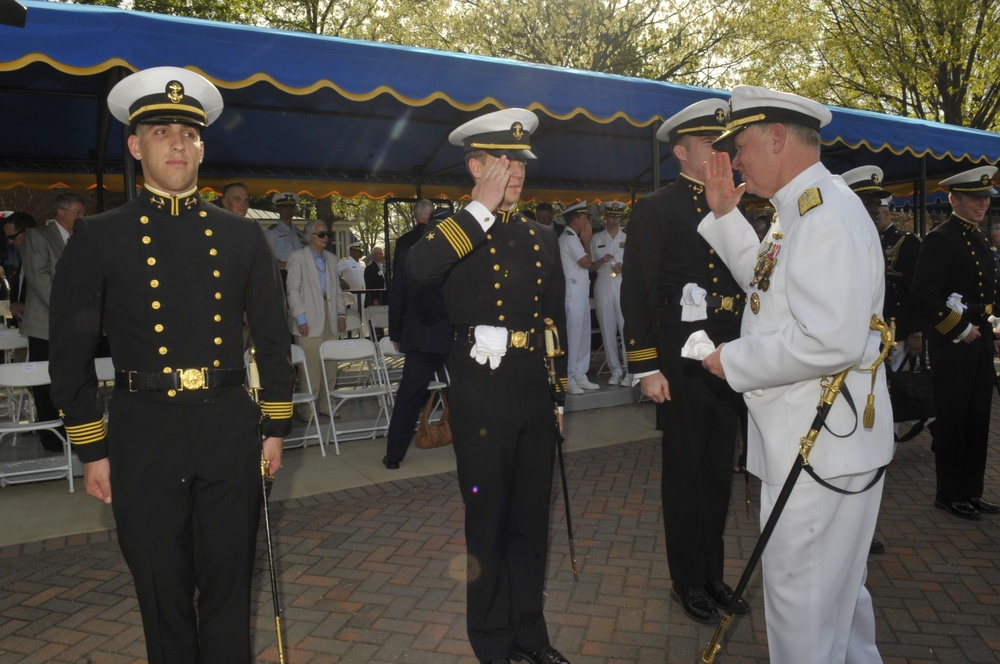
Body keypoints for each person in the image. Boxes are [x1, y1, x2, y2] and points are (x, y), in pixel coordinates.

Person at [48, 66, 294, 664]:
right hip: (143, 433)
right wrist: (91, 447)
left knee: (230, 586)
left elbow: (271, 339)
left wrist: (274, 428)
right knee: (161, 592)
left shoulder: (241, 238)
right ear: (136, 146)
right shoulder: (100, 237)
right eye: (160, 131)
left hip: (227, 429)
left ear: (203, 145)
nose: (177, 143)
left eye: (188, 132)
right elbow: (69, 354)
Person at [698, 85, 893, 663]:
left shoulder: (822, 213)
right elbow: (768, 294)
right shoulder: (800, 209)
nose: (734, 159)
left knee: (802, 605)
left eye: (741, 144)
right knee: (837, 598)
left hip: (819, 447)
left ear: (778, 137)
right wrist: (726, 218)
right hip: (823, 443)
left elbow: (828, 338)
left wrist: (730, 360)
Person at [406, 108, 570, 664]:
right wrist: (478, 211)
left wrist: (559, 394)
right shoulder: (451, 232)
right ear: (475, 166)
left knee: (530, 522)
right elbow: (417, 270)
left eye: (520, 160)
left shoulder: (542, 236)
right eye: (502, 160)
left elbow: (554, 322)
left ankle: (531, 635)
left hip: (531, 388)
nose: (515, 170)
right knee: (489, 522)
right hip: (480, 394)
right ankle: (493, 642)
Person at [620, 98, 747, 626]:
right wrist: (648, 367)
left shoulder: (738, 207)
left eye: (726, 144)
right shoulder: (657, 208)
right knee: (685, 475)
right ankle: (686, 581)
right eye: (711, 144)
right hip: (679, 362)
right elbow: (637, 293)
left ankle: (713, 574)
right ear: (681, 151)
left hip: (731, 355)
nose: (722, 152)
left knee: (719, 473)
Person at [910, 165, 1000, 521]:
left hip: (978, 338)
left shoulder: (978, 238)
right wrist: (959, 329)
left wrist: (989, 330)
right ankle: (949, 493)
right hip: (954, 342)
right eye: (974, 198)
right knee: (953, 420)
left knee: (979, 418)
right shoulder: (942, 238)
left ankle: (971, 492)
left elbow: (986, 292)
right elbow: (924, 295)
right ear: (954, 199)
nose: (981, 205)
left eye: (985, 198)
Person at [382, 208, 451, 470]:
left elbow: (397, 296)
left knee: (408, 397)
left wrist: (396, 333)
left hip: (421, 335)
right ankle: (474, 449)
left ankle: (393, 455)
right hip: (451, 333)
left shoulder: (412, 253)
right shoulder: (459, 254)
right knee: (465, 393)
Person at [21, 192, 84, 453]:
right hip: (45, 325)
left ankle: (77, 432)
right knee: (47, 382)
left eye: (84, 213)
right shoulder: (38, 236)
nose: (82, 217)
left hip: (77, 325)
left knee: (74, 380)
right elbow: (39, 279)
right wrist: (67, 311)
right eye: (78, 212)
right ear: (60, 212)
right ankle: (51, 437)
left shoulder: (82, 238)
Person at [286, 218, 348, 419]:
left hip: (330, 315)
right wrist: (301, 319)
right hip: (308, 318)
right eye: (321, 234)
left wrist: (340, 313)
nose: (326, 238)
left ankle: (327, 403)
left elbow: (337, 290)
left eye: (327, 234)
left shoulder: (331, 258)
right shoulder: (297, 257)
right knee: (310, 367)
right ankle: (307, 409)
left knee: (330, 365)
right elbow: (292, 291)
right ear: (309, 237)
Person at [559, 201, 605, 394]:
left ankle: (580, 374)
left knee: (584, 335)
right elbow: (586, 263)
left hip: (581, 293)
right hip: (573, 293)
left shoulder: (574, 238)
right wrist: (587, 241)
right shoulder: (569, 238)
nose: (587, 221)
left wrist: (600, 259)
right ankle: (569, 378)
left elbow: (591, 264)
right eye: (585, 217)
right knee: (573, 336)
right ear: (576, 219)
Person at [591, 201, 629, 385]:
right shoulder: (596, 238)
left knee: (625, 328)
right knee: (607, 329)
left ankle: (630, 371)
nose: (614, 219)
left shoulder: (627, 238)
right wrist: (601, 260)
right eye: (611, 216)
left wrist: (625, 267)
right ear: (605, 216)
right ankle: (615, 370)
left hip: (622, 283)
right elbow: (589, 266)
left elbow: (636, 264)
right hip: (604, 282)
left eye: (618, 216)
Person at [3, 211, 35, 327]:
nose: (10, 242)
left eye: (13, 237)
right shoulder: (23, 256)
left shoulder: (42, 257)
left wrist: (25, 305)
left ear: (27, 231)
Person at [266, 191, 305, 274]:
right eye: (285, 206)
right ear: (278, 209)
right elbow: (266, 258)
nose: (289, 210)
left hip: (301, 273)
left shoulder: (299, 233)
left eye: (291, 206)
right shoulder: (272, 232)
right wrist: (287, 264)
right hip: (282, 273)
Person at [393, 199, 434, 276]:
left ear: (415, 215)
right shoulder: (438, 238)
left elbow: (397, 274)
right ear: (431, 215)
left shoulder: (401, 241)